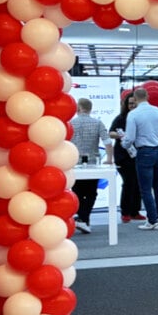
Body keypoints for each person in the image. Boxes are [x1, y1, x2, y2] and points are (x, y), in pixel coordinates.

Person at [122, 87, 158, 230]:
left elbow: (130, 137)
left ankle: (152, 220)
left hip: (144, 152)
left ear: (134, 99)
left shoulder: (133, 114)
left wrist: (124, 144)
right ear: (147, 96)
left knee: (146, 189)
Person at [69, 98, 114, 234]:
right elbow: (107, 141)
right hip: (92, 163)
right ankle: (83, 220)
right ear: (90, 109)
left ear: (78, 108)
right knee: (91, 193)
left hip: (74, 162)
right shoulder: (97, 123)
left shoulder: (70, 124)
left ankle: (83, 220)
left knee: (77, 192)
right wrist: (110, 159)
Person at [109, 93, 144, 223]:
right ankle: (125, 212)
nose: (132, 106)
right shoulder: (120, 118)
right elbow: (111, 133)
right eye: (130, 103)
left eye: (135, 103)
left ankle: (135, 211)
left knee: (138, 184)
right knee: (129, 183)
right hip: (123, 156)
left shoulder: (141, 118)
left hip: (139, 155)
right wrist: (121, 136)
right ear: (126, 105)